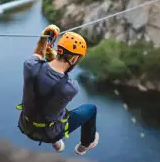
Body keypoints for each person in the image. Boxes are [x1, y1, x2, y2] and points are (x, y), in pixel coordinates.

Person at [16, 25, 99, 155]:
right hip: (50, 134)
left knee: (46, 105)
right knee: (91, 109)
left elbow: (38, 54)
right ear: (74, 58)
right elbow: (57, 78)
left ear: (58, 50)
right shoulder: (71, 88)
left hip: (25, 125)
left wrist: (44, 37)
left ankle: (57, 142)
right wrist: (51, 57)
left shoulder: (30, 67)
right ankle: (84, 145)